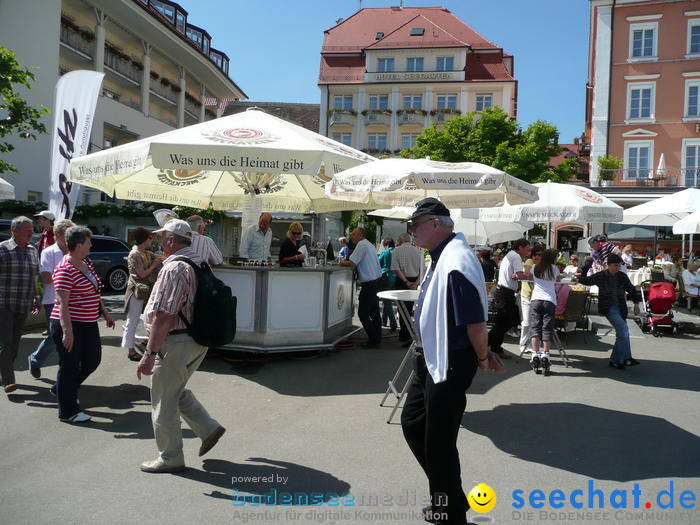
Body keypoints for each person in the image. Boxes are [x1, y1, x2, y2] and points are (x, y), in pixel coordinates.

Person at [400, 198, 505, 525]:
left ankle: (449, 510)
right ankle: (452, 498)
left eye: (414, 224)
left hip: (450, 360)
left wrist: (484, 356)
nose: (411, 231)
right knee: (414, 424)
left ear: (435, 223)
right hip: (431, 357)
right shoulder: (440, 255)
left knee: (439, 442)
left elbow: (475, 323)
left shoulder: (456, 260)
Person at [136, 219, 225, 473]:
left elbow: (164, 315)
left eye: (162, 237)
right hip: (196, 339)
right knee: (175, 389)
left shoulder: (174, 268)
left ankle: (170, 457)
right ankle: (208, 428)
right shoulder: (198, 261)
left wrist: (150, 353)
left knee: (163, 399)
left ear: (171, 240)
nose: (159, 242)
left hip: (176, 341)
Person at [51, 226, 115, 422]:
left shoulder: (85, 262)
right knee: (69, 366)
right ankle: (68, 412)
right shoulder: (65, 269)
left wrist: (104, 312)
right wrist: (67, 332)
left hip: (88, 322)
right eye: (89, 242)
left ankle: (62, 388)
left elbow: (95, 291)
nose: (91, 244)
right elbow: (62, 304)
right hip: (71, 323)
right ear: (79, 245)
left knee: (92, 360)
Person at [576, 253, 641, 369]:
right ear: (608, 265)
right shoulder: (601, 275)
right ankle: (626, 358)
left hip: (621, 308)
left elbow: (632, 290)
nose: (617, 268)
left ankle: (615, 361)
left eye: (619, 265)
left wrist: (636, 304)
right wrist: (577, 278)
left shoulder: (622, 276)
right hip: (608, 308)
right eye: (615, 265)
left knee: (622, 333)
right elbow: (588, 280)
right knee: (623, 329)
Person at [28, 219, 74, 379]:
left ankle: (66, 376)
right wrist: (68, 278)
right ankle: (35, 359)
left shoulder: (74, 251)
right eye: (68, 234)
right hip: (51, 301)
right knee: (55, 337)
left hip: (72, 301)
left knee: (67, 336)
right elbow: (46, 277)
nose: (71, 237)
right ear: (59, 235)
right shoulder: (48, 252)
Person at [0, 216, 40, 393]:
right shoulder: (3, 249)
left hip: (24, 303)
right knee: (6, 342)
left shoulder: (33, 250)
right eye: (27, 230)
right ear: (14, 231)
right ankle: (9, 379)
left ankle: (3, 371)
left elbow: (34, 276)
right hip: (4, 303)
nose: (32, 233)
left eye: (32, 229)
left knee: (15, 343)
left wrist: (36, 296)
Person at [122, 228, 162, 362]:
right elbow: (142, 274)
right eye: (150, 238)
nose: (152, 241)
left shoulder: (143, 252)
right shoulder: (135, 254)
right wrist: (154, 265)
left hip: (143, 290)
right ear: (145, 239)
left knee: (140, 319)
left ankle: (136, 348)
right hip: (136, 291)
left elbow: (159, 257)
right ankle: (130, 350)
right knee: (132, 321)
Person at [487, 238, 531, 359]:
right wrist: (528, 275)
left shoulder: (510, 255)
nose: (528, 252)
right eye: (527, 249)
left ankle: (496, 348)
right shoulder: (516, 257)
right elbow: (521, 275)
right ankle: (485, 343)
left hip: (503, 292)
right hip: (505, 293)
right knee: (509, 320)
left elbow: (516, 275)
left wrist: (517, 275)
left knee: (503, 322)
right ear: (520, 248)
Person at [340, 227, 383, 348]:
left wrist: (341, 262)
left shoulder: (361, 245)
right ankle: (377, 338)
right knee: (374, 313)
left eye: (353, 234)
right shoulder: (368, 244)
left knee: (363, 314)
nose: (352, 237)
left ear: (360, 235)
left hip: (369, 284)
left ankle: (374, 339)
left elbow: (352, 262)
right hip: (376, 282)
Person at [529, 248, 561, 375]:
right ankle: (545, 354)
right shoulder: (554, 269)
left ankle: (535, 353)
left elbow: (531, 278)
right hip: (549, 300)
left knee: (535, 327)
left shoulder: (535, 267)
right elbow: (558, 280)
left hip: (536, 299)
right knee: (547, 328)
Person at [392, 232, 424, 344]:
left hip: (402, 281)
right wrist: (415, 283)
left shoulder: (396, 250)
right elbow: (422, 270)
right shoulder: (418, 251)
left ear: (400, 241)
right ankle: (408, 333)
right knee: (409, 309)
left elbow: (396, 268)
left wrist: (406, 281)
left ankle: (405, 334)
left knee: (402, 309)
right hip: (414, 280)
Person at [519, 245, 541, 355]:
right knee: (527, 322)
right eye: (535, 254)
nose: (537, 256)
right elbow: (527, 274)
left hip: (538, 298)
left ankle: (534, 346)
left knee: (536, 323)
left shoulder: (543, 266)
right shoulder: (529, 261)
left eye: (540, 254)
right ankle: (523, 344)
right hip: (527, 296)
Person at [378, 237, 397, 332]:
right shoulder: (397, 252)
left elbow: (377, 263)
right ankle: (383, 321)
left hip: (386, 278)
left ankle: (393, 323)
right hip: (396, 278)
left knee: (387, 302)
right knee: (387, 300)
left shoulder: (385, 252)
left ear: (386, 245)